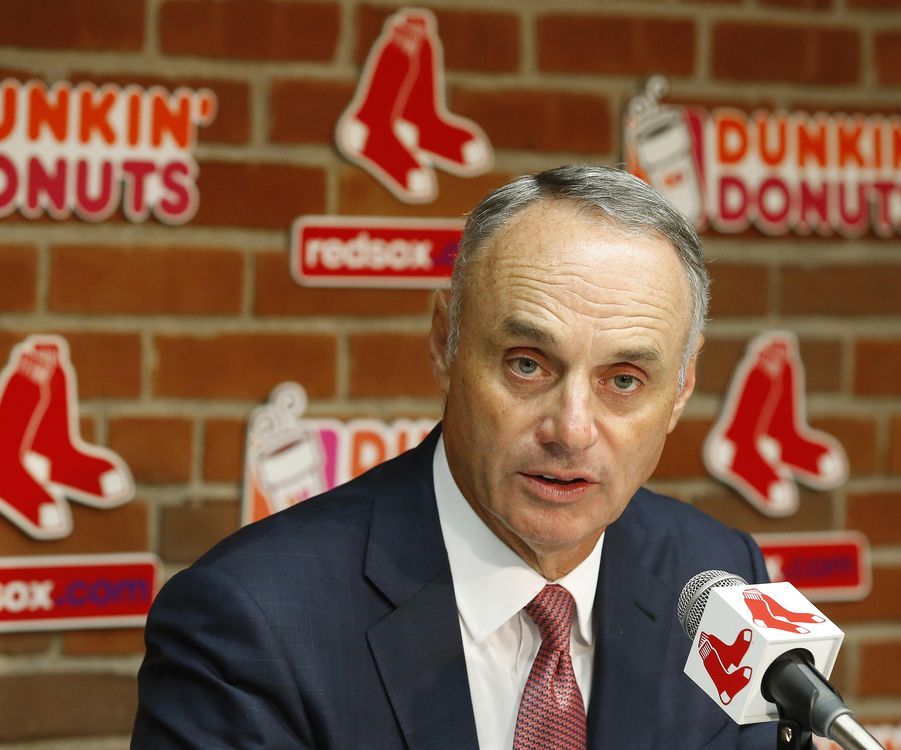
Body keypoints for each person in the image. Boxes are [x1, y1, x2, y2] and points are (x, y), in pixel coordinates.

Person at [132, 165, 775, 749]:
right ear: (446, 342)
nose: (572, 431)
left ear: (681, 391)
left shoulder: (719, 579)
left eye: (625, 380)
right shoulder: (253, 623)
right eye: (527, 364)